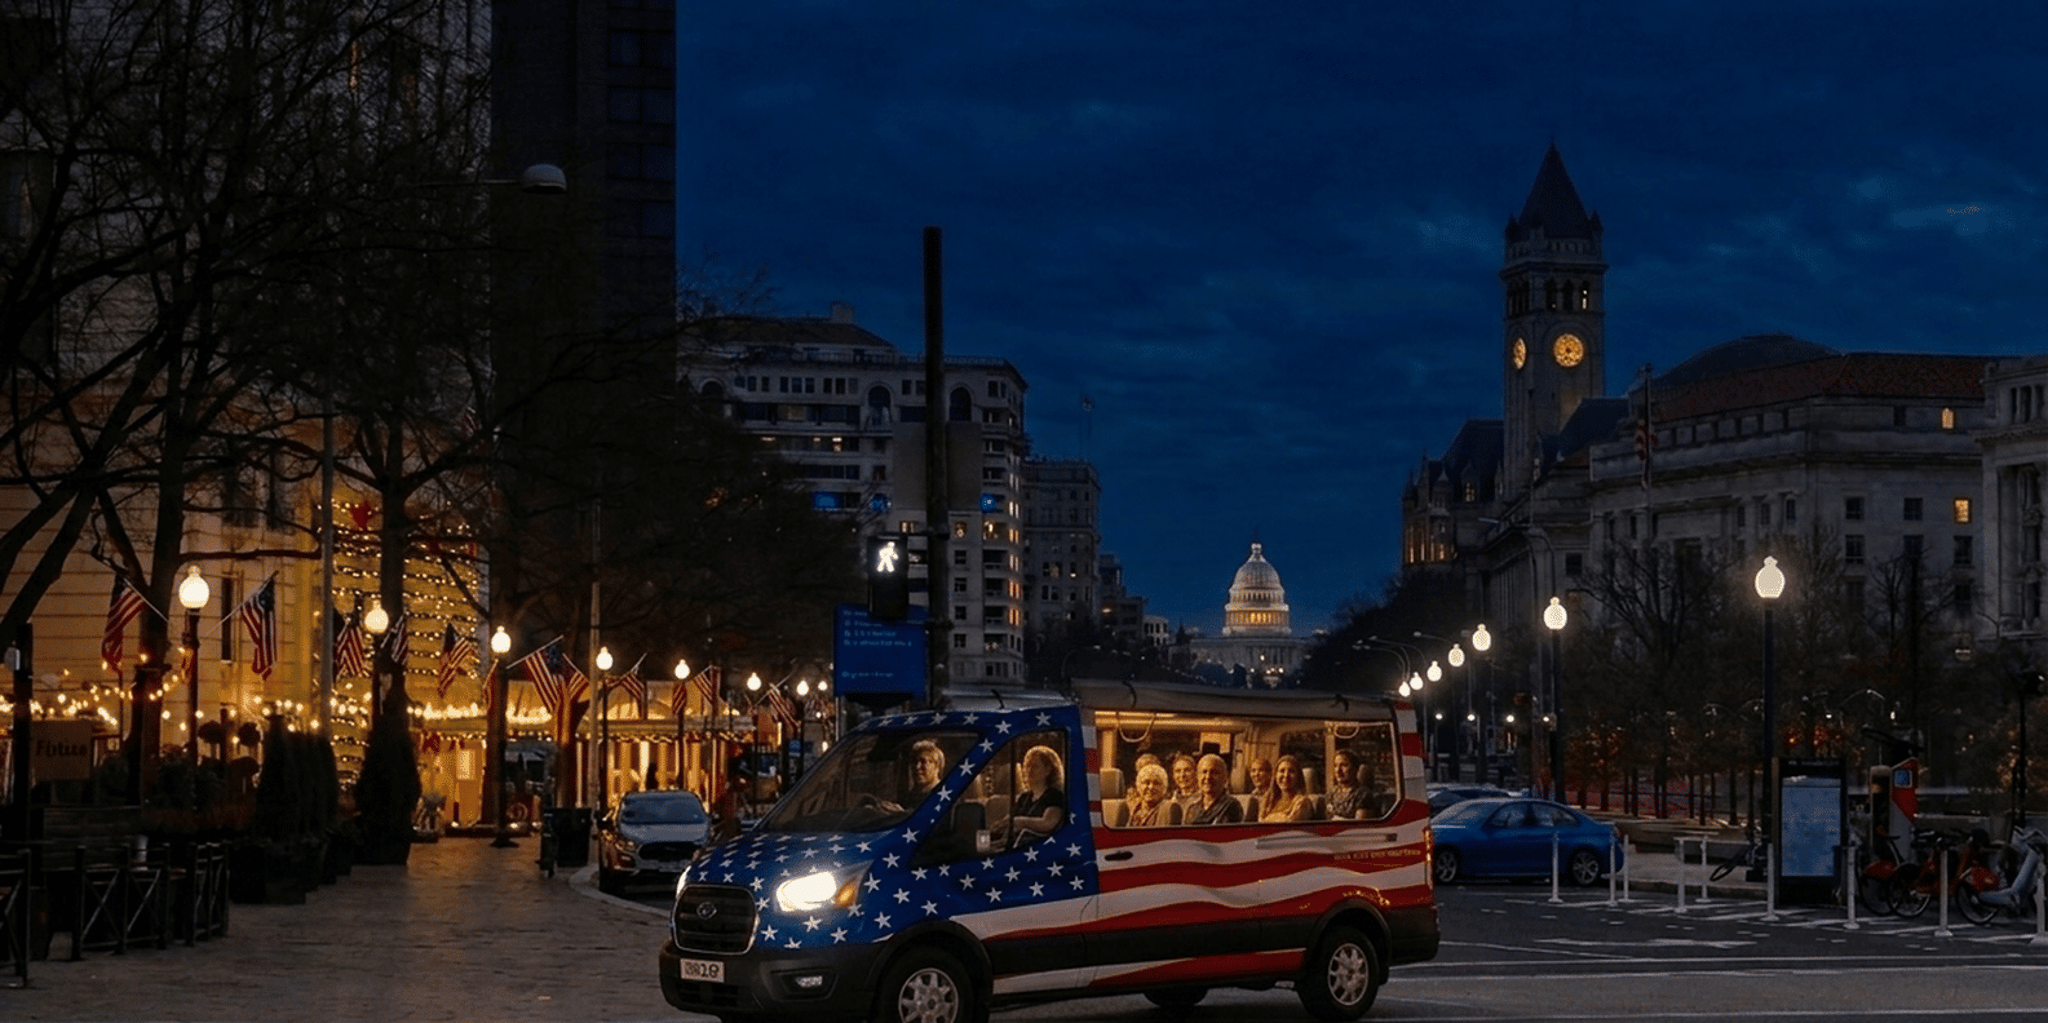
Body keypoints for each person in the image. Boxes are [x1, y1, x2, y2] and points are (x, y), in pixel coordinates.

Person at [1003, 744, 1067, 843]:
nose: (1029, 770)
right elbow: (1009, 820)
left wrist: (1019, 821)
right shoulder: (1024, 798)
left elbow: (1048, 823)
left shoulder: (1054, 795)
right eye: (1027, 765)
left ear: (1048, 770)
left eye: (1035, 766)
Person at [879, 739, 945, 813]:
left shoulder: (943, 795)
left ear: (937, 766)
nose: (917, 767)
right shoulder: (910, 796)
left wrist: (902, 814)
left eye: (923, 762)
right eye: (914, 762)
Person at [1114, 762, 1182, 827]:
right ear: (1138, 786)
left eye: (1156, 783)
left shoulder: (1171, 808)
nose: (1151, 787)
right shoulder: (1126, 807)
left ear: (1164, 787)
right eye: (1146, 782)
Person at [1184, 753, 1245, 825]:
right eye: (1204, 772)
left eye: (1214, 772)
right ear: (1197, 776)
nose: (1208, 777)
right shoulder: (1192, 809)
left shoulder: (1232, 806)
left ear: (1225, 777)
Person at [1259, 755, 1318, 822]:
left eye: (1291, 771)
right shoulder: (1267, 801)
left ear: (1298, 777)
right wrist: (1281, 817)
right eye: (1282, 771)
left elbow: (1288, 824)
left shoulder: (1303, 803)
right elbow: (1260, 824)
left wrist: (1269, 819)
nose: (1286, 775)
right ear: (1275, 775)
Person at [1323, 750, 1367, 820]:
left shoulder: (1363, 795)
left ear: (1355, 768)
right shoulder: (1331, 793)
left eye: (1344, 765)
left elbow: (1359, 826)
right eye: (1335, 765)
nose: (1338, 770)